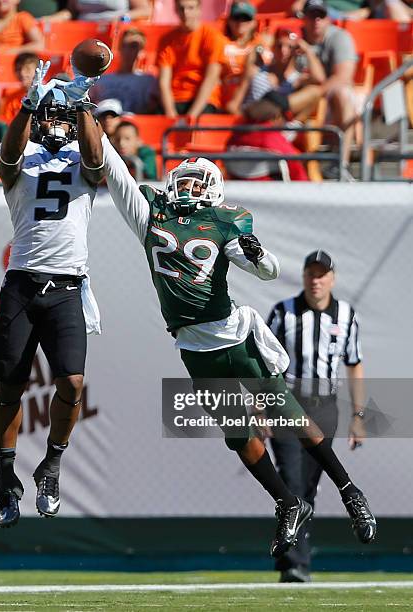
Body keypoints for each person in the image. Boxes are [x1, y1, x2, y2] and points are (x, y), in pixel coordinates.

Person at [101, 137, 376, 557]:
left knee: (290, 415)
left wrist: (257, 252)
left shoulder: (225, 219)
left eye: (198, 183)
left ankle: (350, 491)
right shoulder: (151, 210)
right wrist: (92, 122)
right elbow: (116, 173)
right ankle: (288, 502)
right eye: (186, 180)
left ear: (212, 190)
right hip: (193, 347)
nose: (190, 188)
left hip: (234, 337)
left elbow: (268, 271)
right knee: (238, 435)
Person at [0, 61, 104, 527]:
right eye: (50, 115)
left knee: (73, 383)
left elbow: (97, 163)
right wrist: (24, 107)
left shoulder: (85, 157)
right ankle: (5, 476)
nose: (57, 122)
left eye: (64, 116)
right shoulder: (23, 152)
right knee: (9, 389)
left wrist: (81, 107)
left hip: (67, 287)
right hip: (22, 283)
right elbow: (7, 161)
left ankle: (52, 464)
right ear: (39, 119)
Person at [268, 250, 367, 582]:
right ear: (304, 277)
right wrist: (260, 406)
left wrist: (358, 415)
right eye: (311, 274)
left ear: (332, 279)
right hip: (288, 402)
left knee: (309, 486)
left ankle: (298, 560)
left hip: (325, 406)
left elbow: (354, 364)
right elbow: (265, 363)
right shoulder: (284, 313)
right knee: (291, 481)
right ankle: (293, 565)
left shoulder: (347, 315)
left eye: (322, 274)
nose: (316, 280)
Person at [299, 0, 358, 176]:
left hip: (328, 98)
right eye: (311, 15)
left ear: (328, 19)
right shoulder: (295, 38)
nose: (316, 20)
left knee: (342, 94)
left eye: (321, 16)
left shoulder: (339, 37)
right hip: (304, 97)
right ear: (304, 18)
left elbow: (343, 77)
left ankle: (342, 164)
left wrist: (315, 93)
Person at [157, 0, 226, 119]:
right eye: (181, 8)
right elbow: (164, 81)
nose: (186, 13)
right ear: (176, 10)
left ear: (199, 10)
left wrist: (191, 116)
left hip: (203, 100)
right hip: (175, 99)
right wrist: (170, 113)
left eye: (191, 8)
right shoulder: (166, 40)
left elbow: (211, 79)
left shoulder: (213, 37)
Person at [225, 93, 312, 181]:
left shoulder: (237, 134)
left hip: (236, 190)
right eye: (285, 119)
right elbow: (298, 173)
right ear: (277, 116)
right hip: (271, 191)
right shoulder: (271, 137)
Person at [89, 27, 159, 114]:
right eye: (124, 46)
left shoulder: (148, 81)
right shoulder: (101, 79)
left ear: (141, 51)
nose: (127, 50)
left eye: (133, 46)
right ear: (119, 48)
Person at [221, 1, 260, 111]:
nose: (241, 22)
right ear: (229, 21)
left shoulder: (260, 44)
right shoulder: (220, 43)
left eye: (245, 18)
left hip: (251, 97)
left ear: (254, 22)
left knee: (253, 68)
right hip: (225, 94)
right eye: (236, 18)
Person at [0, 52, 40, 124]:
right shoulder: (12, 99)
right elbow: (7, 123)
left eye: (27, 69)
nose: (22, 73)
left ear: (37, 70)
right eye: (18, 69)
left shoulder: (46, 95)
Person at [64, 0, 151, 22]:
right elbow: (71, 12)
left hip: (115, 33)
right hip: (82, 32)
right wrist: (50, 19)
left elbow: (145, 10)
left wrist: (123, 18)